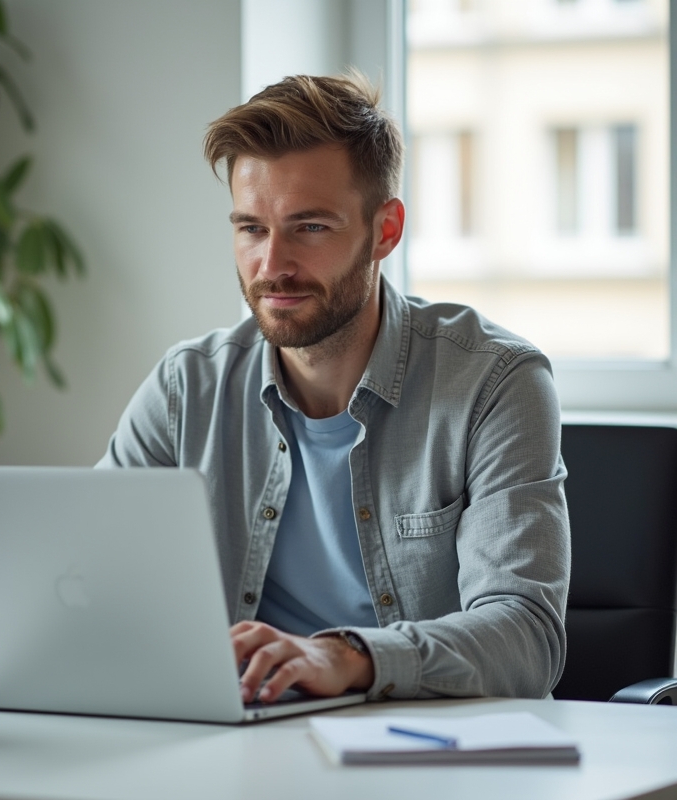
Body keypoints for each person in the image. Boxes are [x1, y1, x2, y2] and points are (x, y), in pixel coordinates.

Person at [97, 73, 570, 704]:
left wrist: (347, 657)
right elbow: (89, 578)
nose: (272, 265)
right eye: (251, 229)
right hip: (234, 738)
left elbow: (525, 638)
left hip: (420, 752)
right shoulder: (188, 387)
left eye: (310, 227)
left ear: (385, 231)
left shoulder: (494, 381)